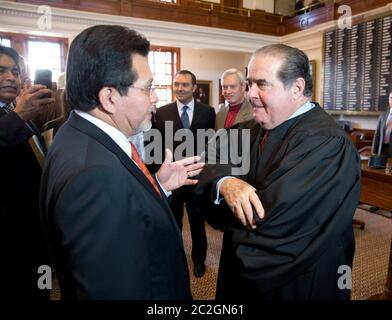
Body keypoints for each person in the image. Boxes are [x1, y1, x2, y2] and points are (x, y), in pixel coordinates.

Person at [40, 25, 204, 299]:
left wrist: (157, 187)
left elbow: (127, 214)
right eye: (148, 88)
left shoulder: (80, 135)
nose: (155, 98)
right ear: (109, 97)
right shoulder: (95, 177)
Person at [196, 44, 361, 300]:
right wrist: (225, 182)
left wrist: (229, 207)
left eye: (261, 84)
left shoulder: (326, 143)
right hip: (240, 269)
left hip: (296, 277)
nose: (250, 94)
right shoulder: (247, 130)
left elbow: (274, 218)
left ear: (296, 87)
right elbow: (207, 162)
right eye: (248, 83)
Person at [0, 45, 54, 299]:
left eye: (14, 71)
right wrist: (19, 116)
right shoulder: (17, 114)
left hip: (34, 229)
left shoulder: (17, 111)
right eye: (1, 71)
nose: (11, 77)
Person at [155, 70, 216, 278]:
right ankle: (172, 258)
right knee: (173, 221)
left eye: (184, 84)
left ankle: (199, 260)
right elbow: (157, 145)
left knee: (197, 222)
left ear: (194, 88)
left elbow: (211, 143)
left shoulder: (208, 112)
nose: (179, 88)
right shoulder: (162, 112)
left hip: (197, 177)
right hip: (171, 178)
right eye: (176, 84)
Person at [372, 91, 392, 157]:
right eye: (391, 98)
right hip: (382, 149)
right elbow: (377, 134)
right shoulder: (383, 115)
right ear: (389, 100)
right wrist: (374, 151)